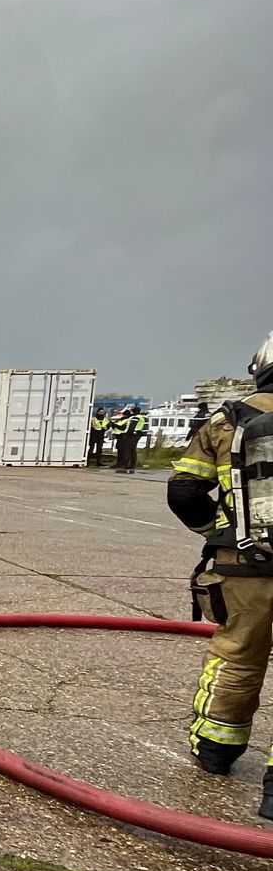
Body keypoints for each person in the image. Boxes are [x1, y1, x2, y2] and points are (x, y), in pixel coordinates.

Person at [167, 330, 273, 821]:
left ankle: (215, 750)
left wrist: (223, 534)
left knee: (236, 654)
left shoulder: (229, 419)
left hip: (245, 566)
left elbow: (184, 493)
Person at [112, 406, 143, 474]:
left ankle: (127, 465)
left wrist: (127, 434)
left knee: (128, 450)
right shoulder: (140, 417)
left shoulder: (135, 418)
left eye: (132, 411)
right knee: (132, 450)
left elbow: (131, 427)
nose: (131, 412)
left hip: (132, 435)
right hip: (135, 434)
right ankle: (131, 465)